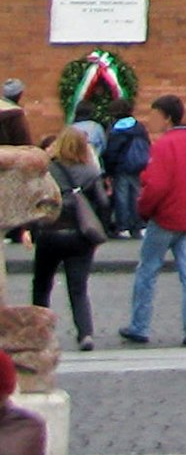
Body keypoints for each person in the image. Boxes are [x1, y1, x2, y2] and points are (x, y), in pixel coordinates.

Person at [112, 91, 186, 355]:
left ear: (167, 118)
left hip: (166, 217)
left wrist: (144, 211)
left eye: (155, 115)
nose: (151, 120)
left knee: (147, 271)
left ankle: (140, 325)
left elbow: (156, 184)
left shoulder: (163, 145)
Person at [24, 124, 106, 349]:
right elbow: (103, 203)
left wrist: (29, 230)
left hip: (50, 233)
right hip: (80, 235)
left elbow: (34, 201)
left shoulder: (48, 170)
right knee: (78, 287)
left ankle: (40, 333)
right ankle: (85, 333)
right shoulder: (91, 172)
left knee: (41, 284)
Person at [94, 98, 147, 239]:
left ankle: (124, 227)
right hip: (137, 166)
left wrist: (109, 170)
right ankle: (140, 225)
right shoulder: (139, 127)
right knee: (136, 195)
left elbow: (112, 151)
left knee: (122, 197)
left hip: (121, 168)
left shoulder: (116, 129)